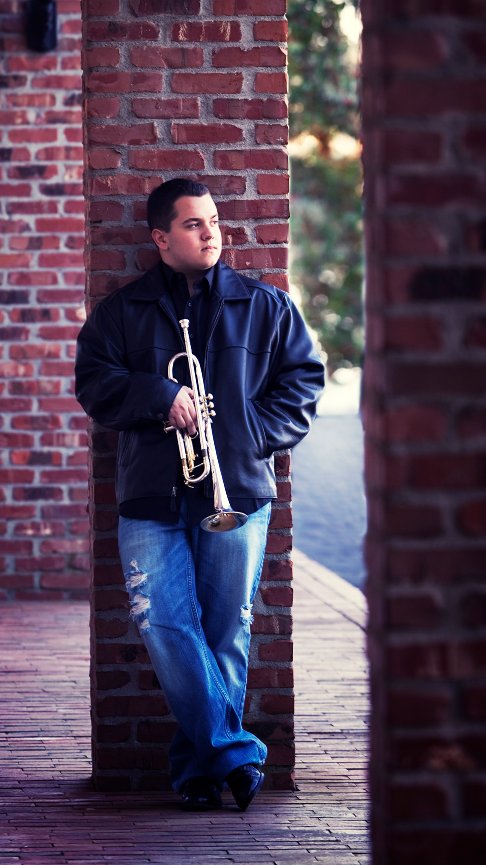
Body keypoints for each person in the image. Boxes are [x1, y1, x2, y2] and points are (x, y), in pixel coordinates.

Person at [75, 178, 325, 812]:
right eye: (193, 224)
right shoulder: (121, 312)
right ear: (160, 238)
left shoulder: (266, 306)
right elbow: (94, 385)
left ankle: (197, 773)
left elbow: (304, 383)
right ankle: (234, 754)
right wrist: (161, 396)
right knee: (162, 621)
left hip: (236, 488)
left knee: (227, 629)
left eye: (214, 221)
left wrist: (247, 434)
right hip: (150, 496)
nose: (212, 233)